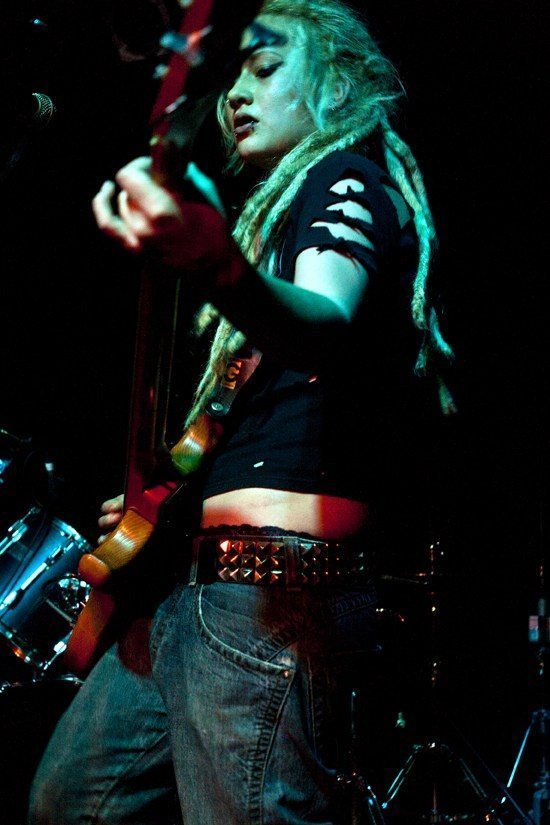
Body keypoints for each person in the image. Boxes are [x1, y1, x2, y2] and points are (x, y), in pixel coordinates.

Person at [28, 1, 454, 822]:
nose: (236, 94)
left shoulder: (347, 176)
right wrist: (164, 500)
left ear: (337, 86)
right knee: (68, 802)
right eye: (232, 78)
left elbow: (325, 317)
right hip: (194, 587)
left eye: (265, 69)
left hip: (267, 592)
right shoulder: (281, 217)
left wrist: (220, 264)